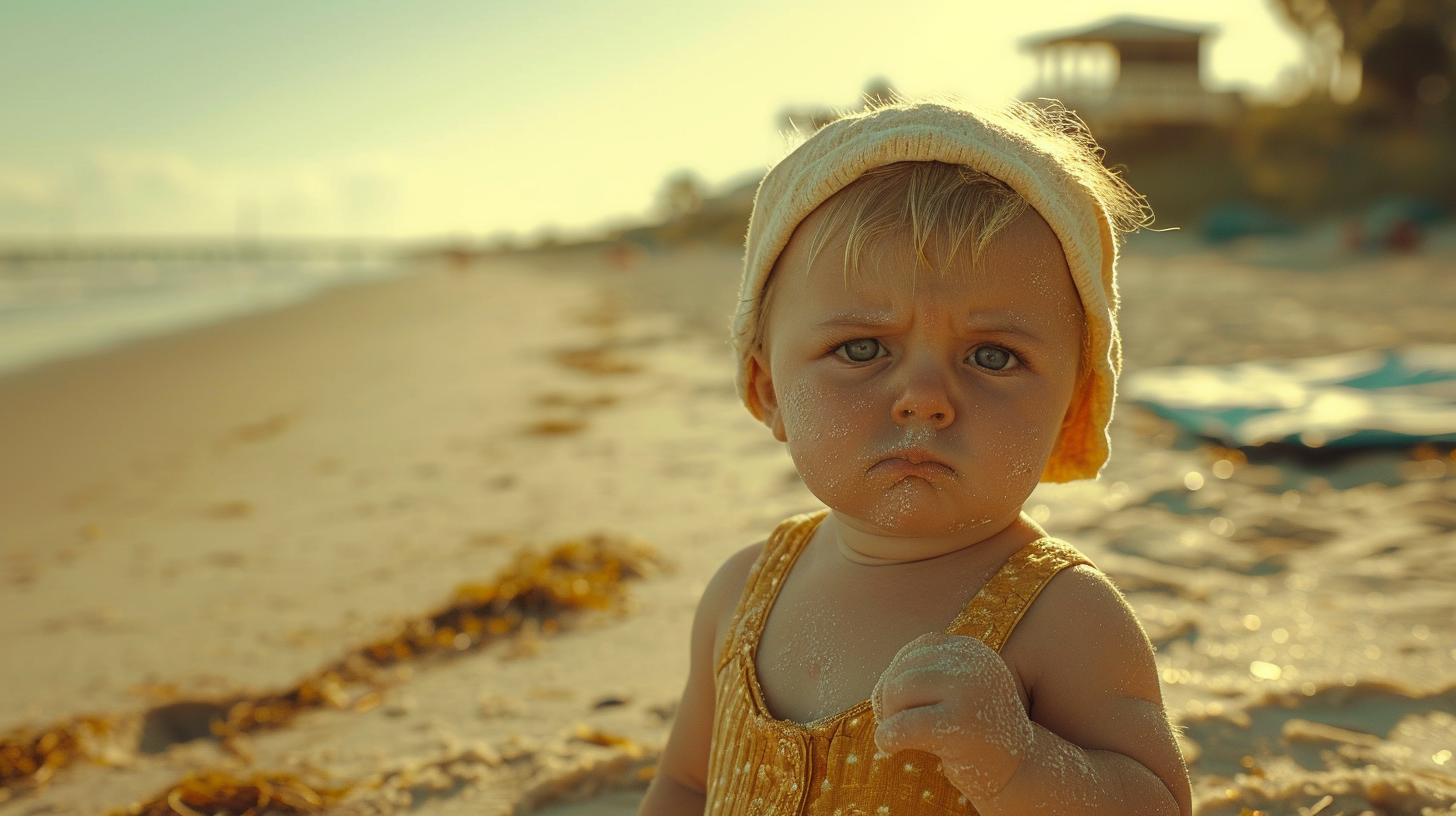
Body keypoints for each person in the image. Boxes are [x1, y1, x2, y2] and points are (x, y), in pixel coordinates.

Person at [637, 96, 1192, 816]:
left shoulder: (1062, 615)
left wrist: (1020, 763)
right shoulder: (742, 593)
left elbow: (1155, 805)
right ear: (765, 386)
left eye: (993, 356)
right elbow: (686, 784)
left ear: (1072, 408)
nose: (924, 398)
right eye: (861, 349)